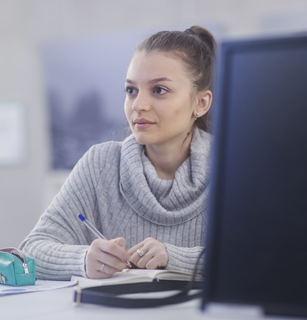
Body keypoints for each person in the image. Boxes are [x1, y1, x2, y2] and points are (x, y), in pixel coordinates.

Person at [19, 25, 216, 280]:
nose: (138, 105)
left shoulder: (234, 168)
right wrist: (83, 260)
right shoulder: (100, 164)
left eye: (159, 90)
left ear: (201, 103)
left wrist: (174, 258)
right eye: (131, 90)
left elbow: (266, 259)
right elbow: (32, 250)